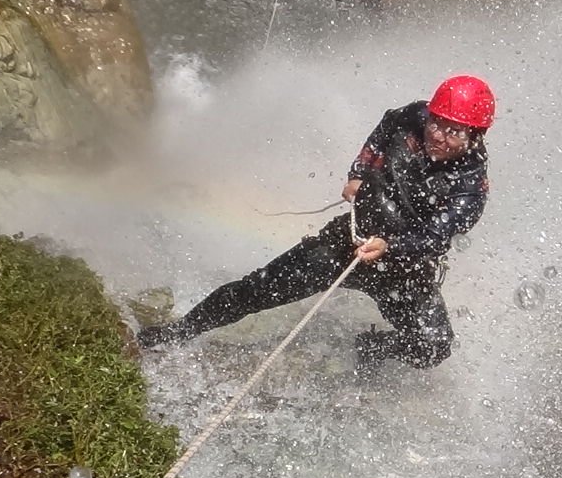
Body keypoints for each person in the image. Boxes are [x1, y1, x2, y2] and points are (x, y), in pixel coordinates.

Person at [141, 74, 494, 368]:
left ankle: (373, 348)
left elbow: (435, 238)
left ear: (474, 136)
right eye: (437, 124)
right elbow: (384, 127)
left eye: (454, 132)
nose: (438, 136)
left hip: (402, 271)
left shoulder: (470, 184)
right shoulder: (413, 116)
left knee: (433, 346)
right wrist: (359, 171)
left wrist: (390, 246)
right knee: (256, 290)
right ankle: (179, 332)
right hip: (347, 243)